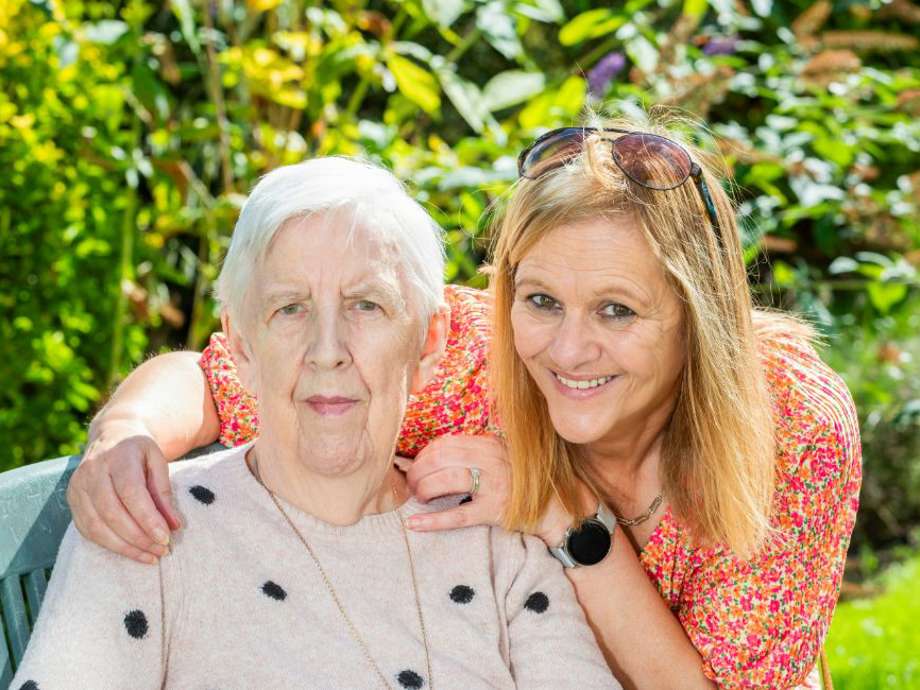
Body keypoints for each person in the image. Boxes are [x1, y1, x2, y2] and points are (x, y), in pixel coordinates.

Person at [69, 113, 861, 689]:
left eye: (617, 311)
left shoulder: (794, 426)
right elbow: (215, 376)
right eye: (541, 299)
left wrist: (568, 514)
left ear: (699, 317)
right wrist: (123, 433)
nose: (568, 350)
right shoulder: (477, 358)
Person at [12, 158, 619, 690]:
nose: (327, 351)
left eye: (366, 305)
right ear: (242, 347)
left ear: (428, 342)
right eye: (290, 309)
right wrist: (123, 426)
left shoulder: (498, 551)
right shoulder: (143, 524)